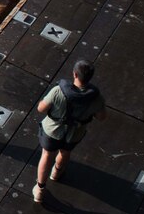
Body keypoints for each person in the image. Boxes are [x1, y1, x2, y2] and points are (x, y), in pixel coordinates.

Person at [32, 60, 107, 204]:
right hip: (74, 133)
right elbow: (101, 117)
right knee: (65, 153)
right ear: (90, 77)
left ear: (74, 74)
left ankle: (40, 190)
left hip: (52, 131)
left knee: (46, 155)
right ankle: (57, 172)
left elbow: (41, 108)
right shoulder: (96, 98)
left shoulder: (58, 91)